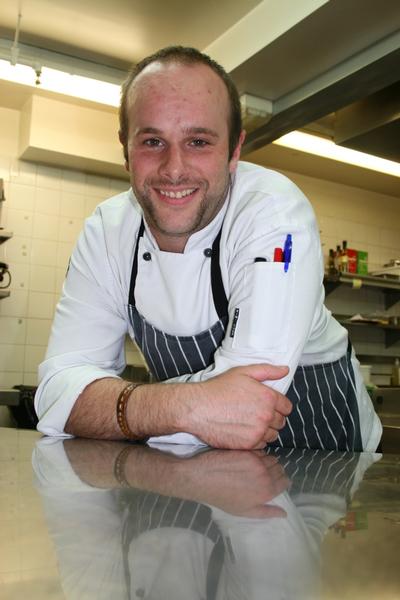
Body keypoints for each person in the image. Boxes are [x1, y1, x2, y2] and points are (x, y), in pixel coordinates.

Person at [35, 46, 382, 451]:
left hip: (330, 475)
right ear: (125, 149)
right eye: (152, 141)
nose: (174, 168)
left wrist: (117, 406)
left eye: (198, 141)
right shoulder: (106, 232)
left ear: (235, 150)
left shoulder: (275, 218)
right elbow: (56, 395)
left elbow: (246, 408)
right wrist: (190, 406)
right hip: (196, 476)